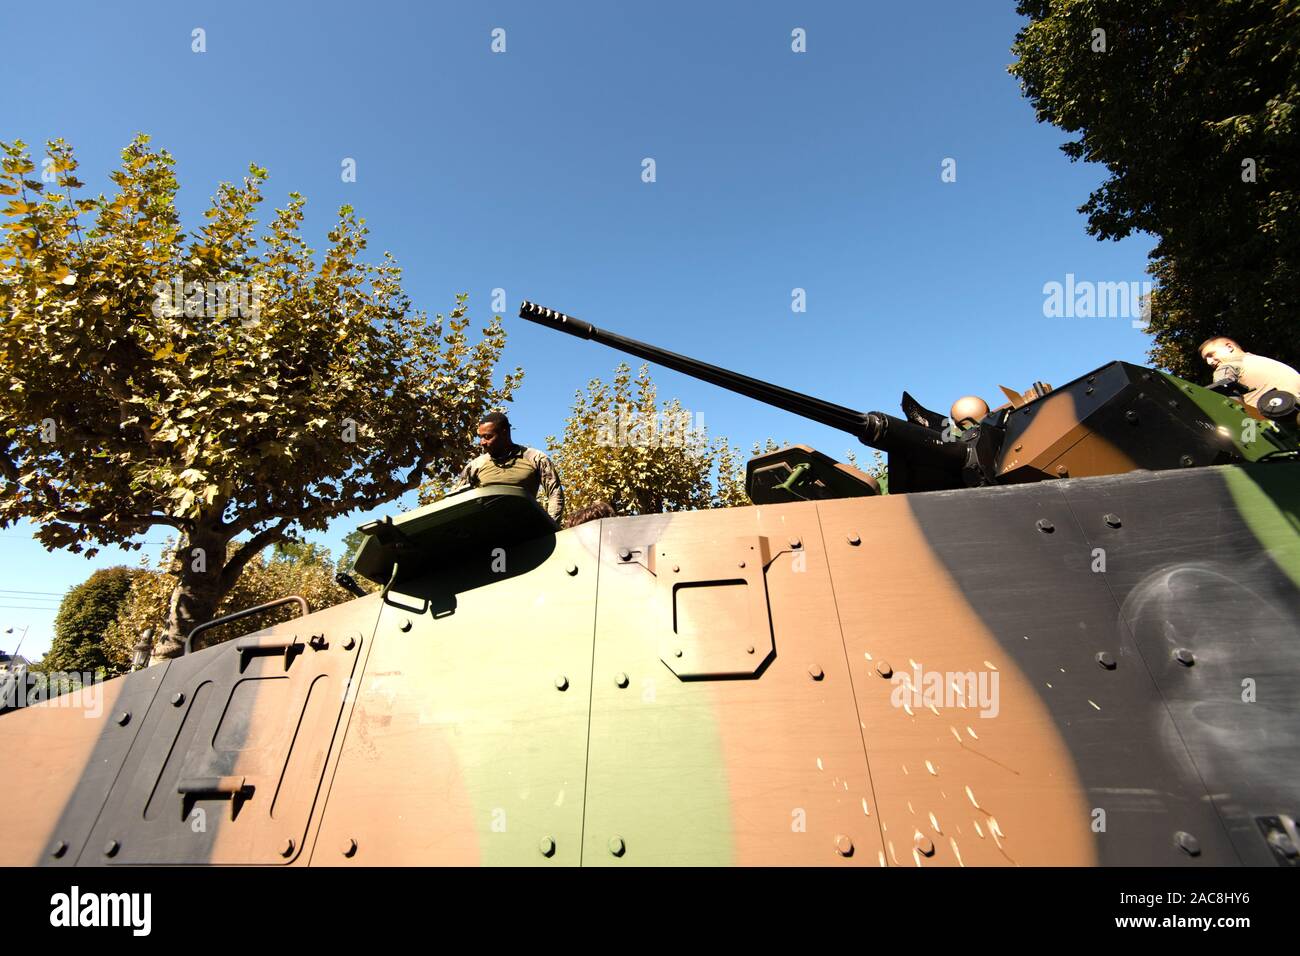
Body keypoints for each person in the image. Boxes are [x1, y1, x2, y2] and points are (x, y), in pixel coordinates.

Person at [452, 412, 565, 525]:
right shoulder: (476, 465)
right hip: (488, 530)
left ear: (504, 433)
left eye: (487, 437)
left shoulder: (535, 458)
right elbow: (454, 499)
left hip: (527, 528)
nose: (482, 443)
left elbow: (555, 493)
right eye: (480, 437)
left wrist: (550, 525)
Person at [1199, 337, 1300, 409]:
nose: (1209, 362)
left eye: (1211, 355)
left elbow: (1229, 402)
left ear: (1229, 347)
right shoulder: (1263, 360)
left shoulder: (1226, 367)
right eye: (1206, 359)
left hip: (1275, 425)